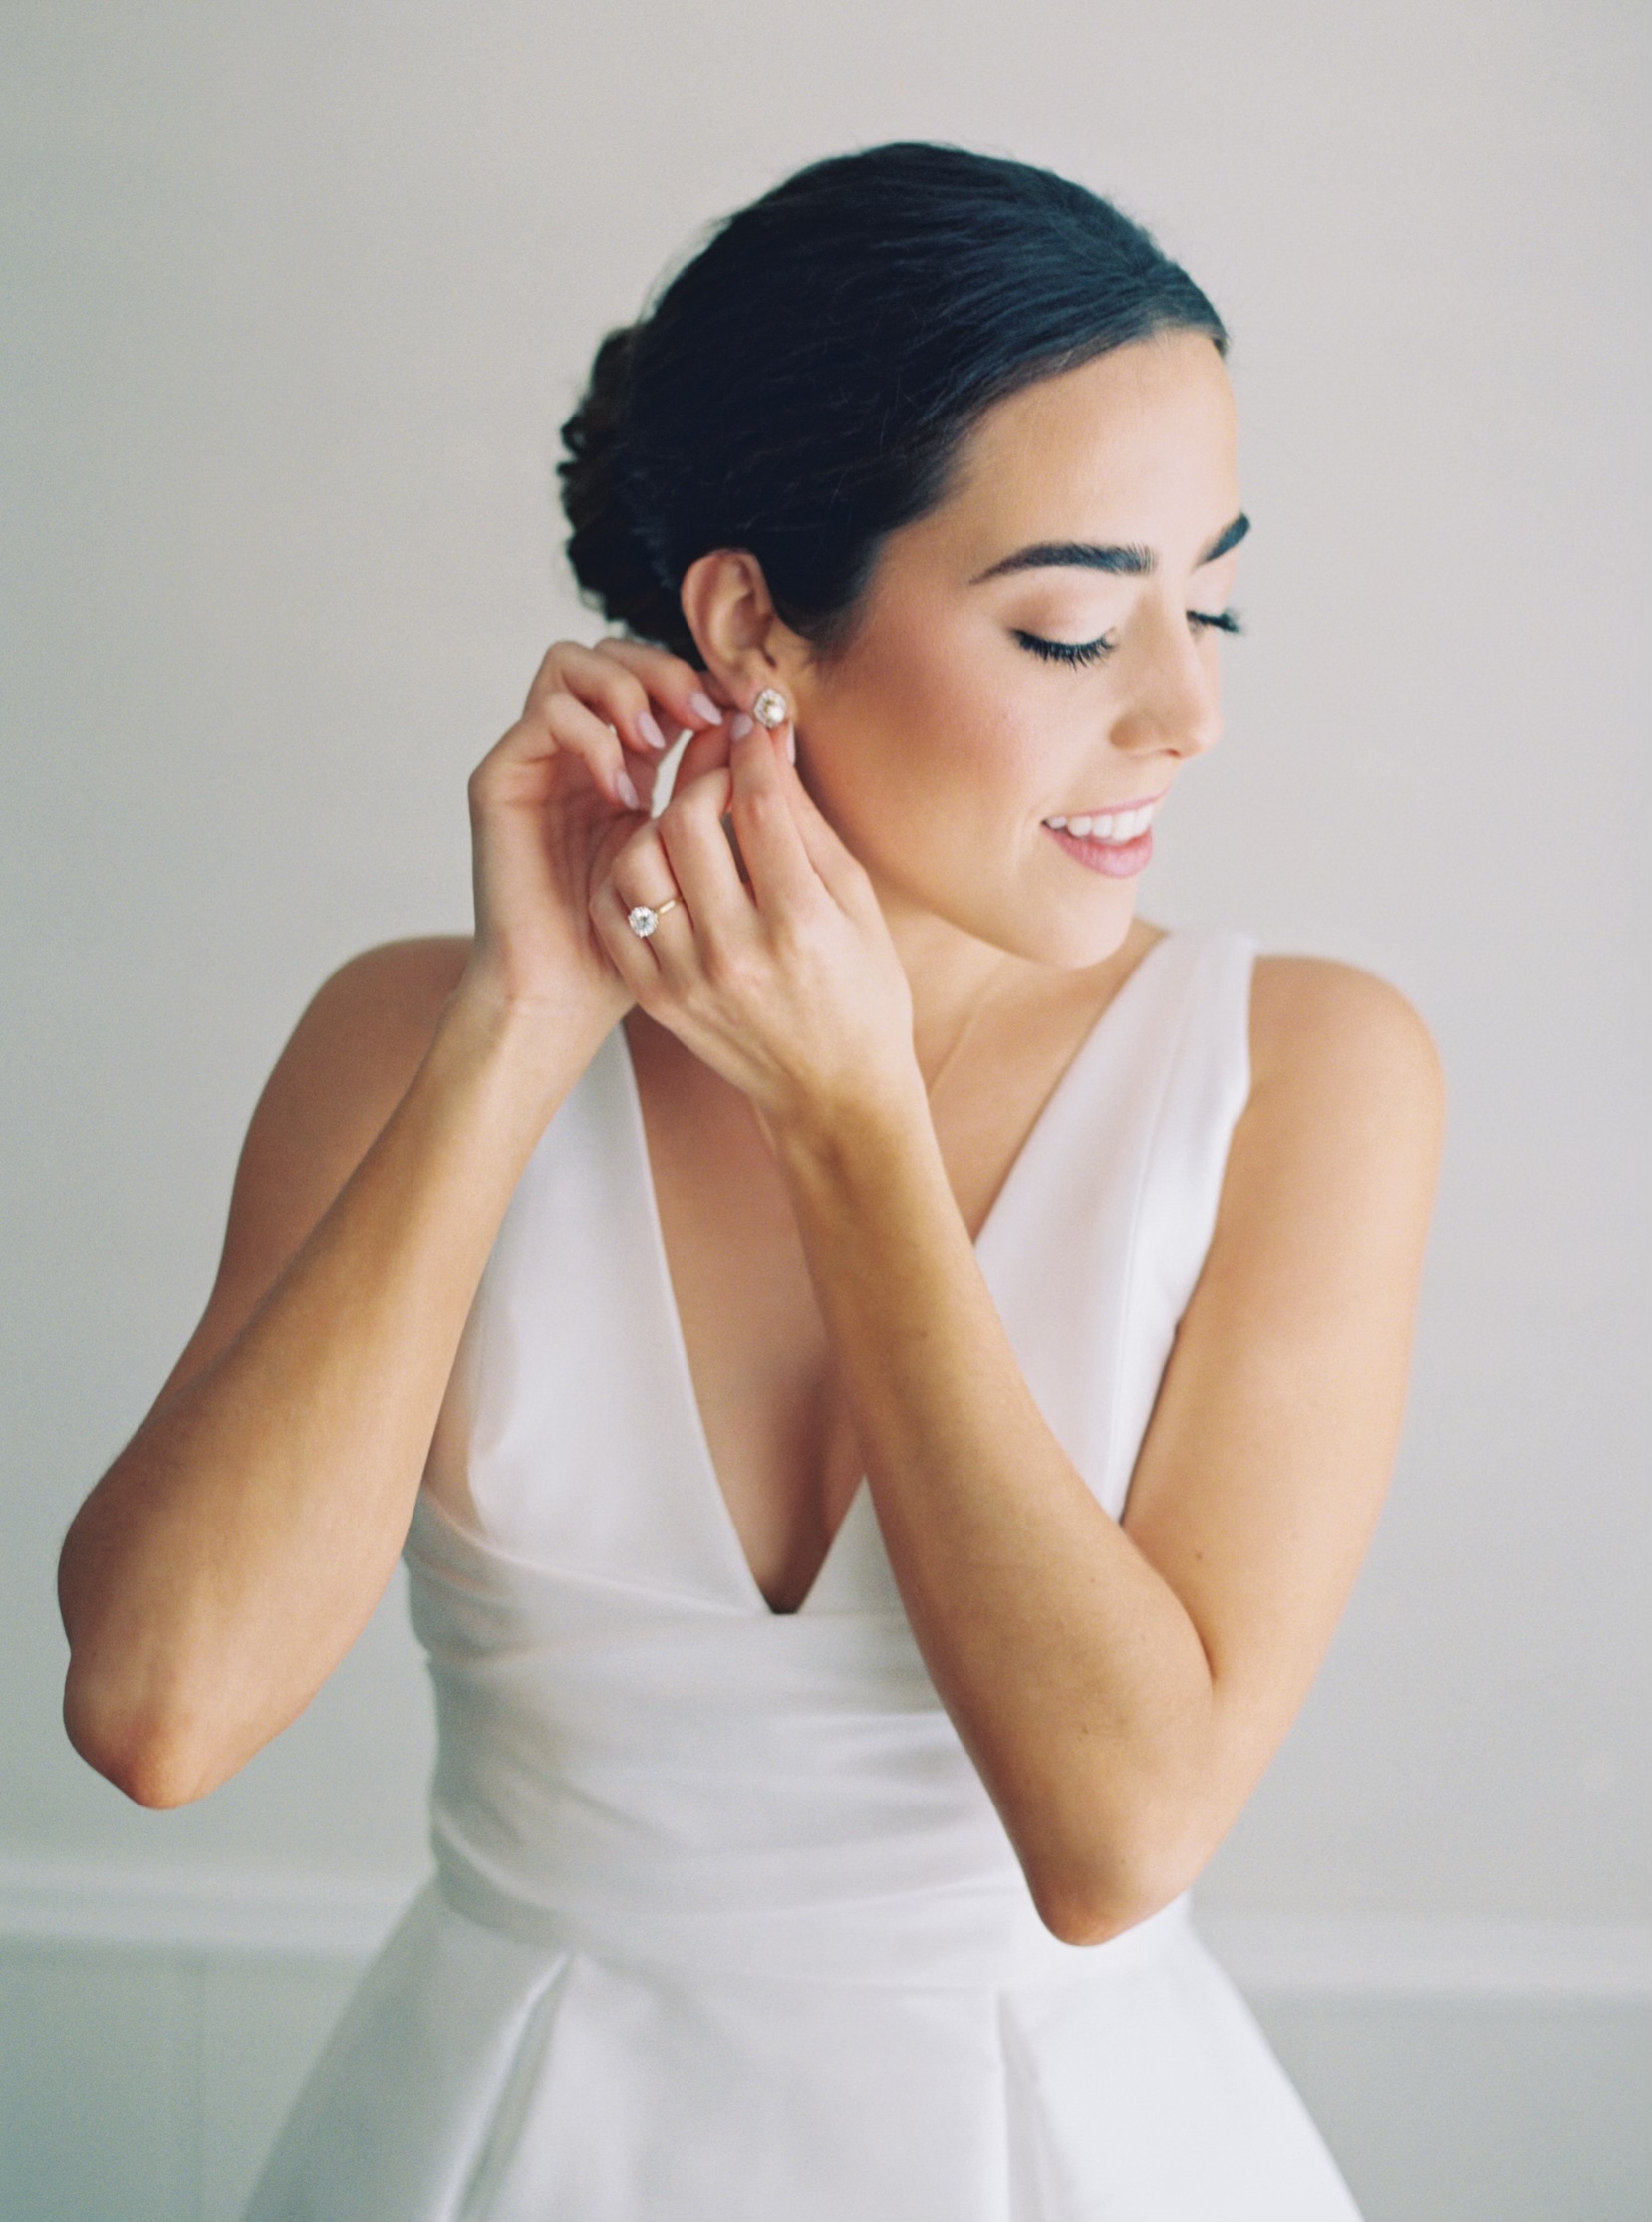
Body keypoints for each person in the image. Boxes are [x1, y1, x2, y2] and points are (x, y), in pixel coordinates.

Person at [57, 142, 1444, 2218]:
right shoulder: (406, 1033)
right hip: (510, 2145)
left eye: (1212, 598)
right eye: (1074, 625)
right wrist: (517, 1029)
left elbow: (1118, 1836)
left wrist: (849, 1119)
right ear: (751, 622)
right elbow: (159, 1708)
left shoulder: (1307, 1072)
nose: (1189, 711)